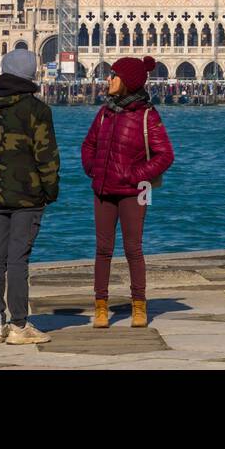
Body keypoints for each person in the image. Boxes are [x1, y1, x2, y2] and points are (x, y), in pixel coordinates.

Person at [0, 48, 59, 346]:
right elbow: (47, 157)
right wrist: (50, 190)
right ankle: (19, 325)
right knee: (18, 259)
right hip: (29, 197)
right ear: (30, 73)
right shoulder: (38, 110)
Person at [82, 55, 174, 328]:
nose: (108, 79)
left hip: (136, 191)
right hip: (103, 189)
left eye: (113, 75)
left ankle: (139, 306)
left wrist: (135, 175)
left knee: (133, 249)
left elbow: (165, 155)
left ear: (128, 82)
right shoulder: (104, 113)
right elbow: (88, 146)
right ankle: (100, 307)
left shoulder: (147, 115)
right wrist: (94, 169)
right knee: (103, 250)